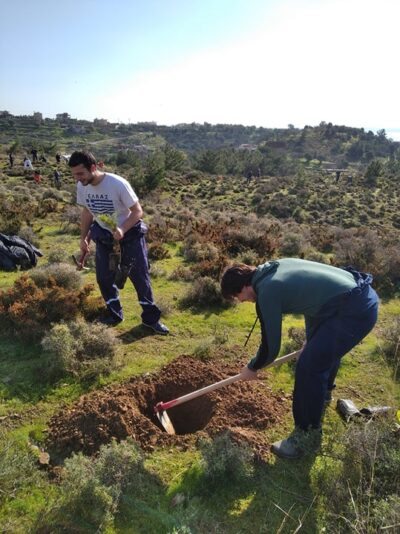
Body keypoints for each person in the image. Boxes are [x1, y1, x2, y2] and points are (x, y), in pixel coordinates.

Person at [220, 258, 379, 459]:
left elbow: (271, 347)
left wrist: (253, 367)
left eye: (237, 296)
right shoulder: (274, 268)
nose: (241, 301)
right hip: (355, 299)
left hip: (353, 311)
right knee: (318, 352)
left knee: (308, 366)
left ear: (244, 286)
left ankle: (305, 437)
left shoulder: (268, 290)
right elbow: (314, 301)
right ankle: (323, 396)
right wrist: (311, 339)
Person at [68, 150, 169, 334]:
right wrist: (83, 237)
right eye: (74, 174)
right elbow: (87, 212)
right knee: (103, 278)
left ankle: (150, 320)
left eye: (80, 173)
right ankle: (114, 314)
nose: (77, 178)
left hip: (130, 237)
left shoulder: (117, 184)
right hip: (105, 238)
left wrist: (122, 229)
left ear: (93, 167)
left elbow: (138, 211)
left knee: (140, 278)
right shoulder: (82, 185)